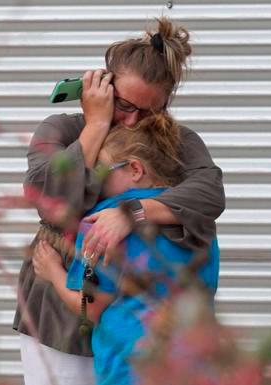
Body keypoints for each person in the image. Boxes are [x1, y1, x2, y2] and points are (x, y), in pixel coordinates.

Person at [13, 16, 225, 385]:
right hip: (60, 319)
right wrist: (95, 127)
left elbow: (210, 191)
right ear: (103, 85)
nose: (131, 122)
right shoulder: (62, 129)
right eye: (124, 104)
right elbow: (47, 198)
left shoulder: (176, 141)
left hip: (139, 327)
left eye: (149, 111)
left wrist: (133, 212)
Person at [32, 113, 220, 385]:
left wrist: (52, 272)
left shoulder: (104, 222)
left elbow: (91, 308)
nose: (95, 184)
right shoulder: (198, 220)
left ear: (135, 169)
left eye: (101, 172)